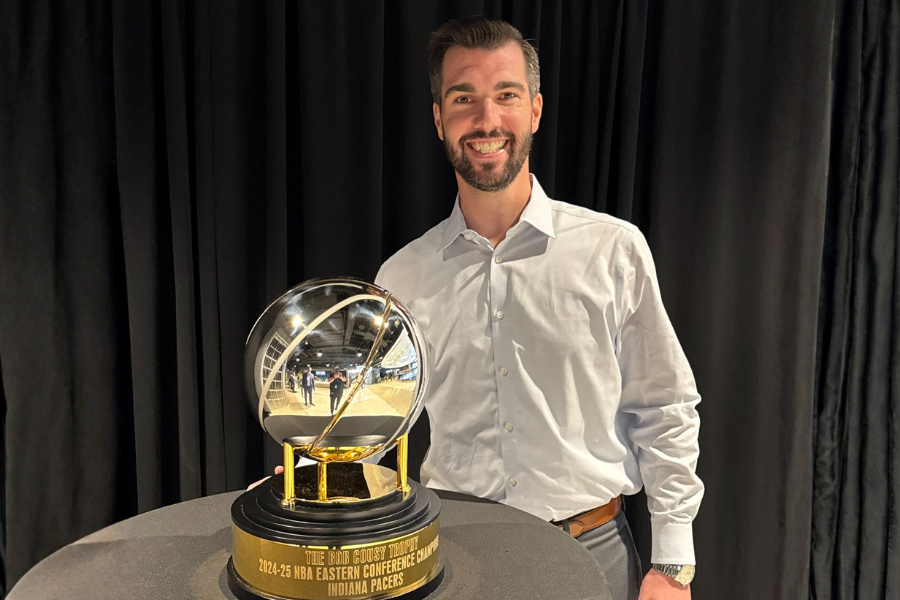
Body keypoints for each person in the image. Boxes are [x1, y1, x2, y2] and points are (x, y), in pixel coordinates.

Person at [373, 17, 703, 600]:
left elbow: (663, 405)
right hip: (452, 562)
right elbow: (376, 430)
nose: (486, 119)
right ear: (438, 119)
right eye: (463, 98)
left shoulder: (612, 249)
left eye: (506, 95)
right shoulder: (401, 278)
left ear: (535, 111)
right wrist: (318, 479)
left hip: (593, 556)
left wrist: (672, 562)